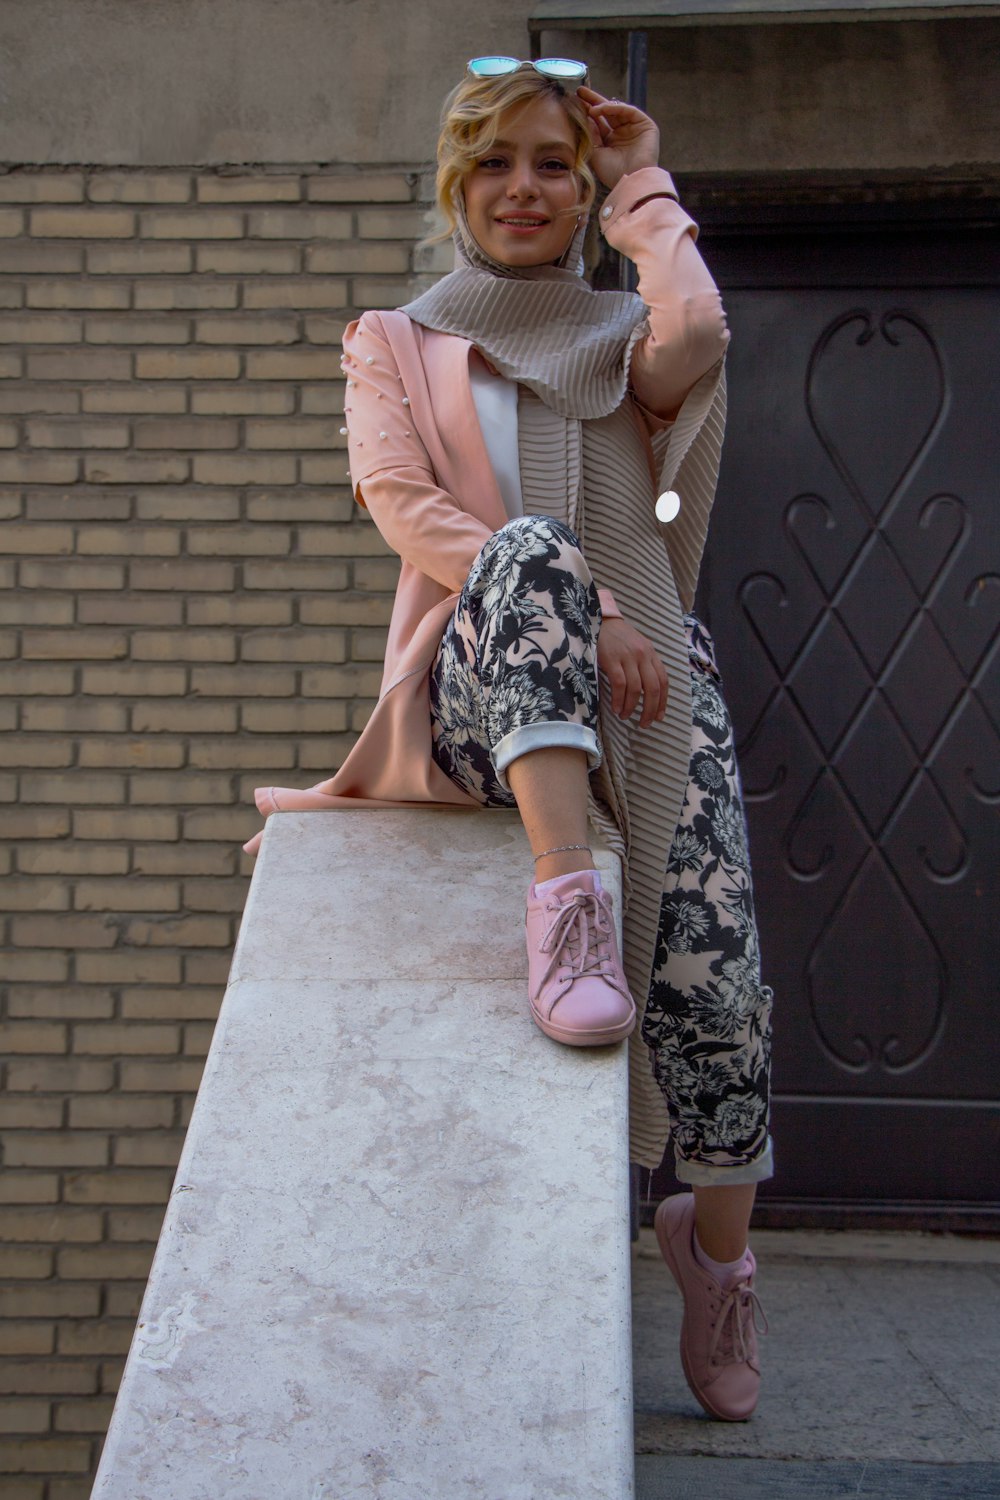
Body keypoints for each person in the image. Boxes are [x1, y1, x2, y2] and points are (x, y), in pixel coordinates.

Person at [244, 55, 774, 1422]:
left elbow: (702, 332)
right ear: (458, 186)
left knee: (723, 1002)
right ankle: (564, 900)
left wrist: (646, 187)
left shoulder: (620, 338)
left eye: (554, 164)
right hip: (485, 692)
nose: (525, 188)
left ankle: (715, 1263)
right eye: (497, 164)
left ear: (582, 190)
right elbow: (405, 504)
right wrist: (586, 599)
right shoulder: (394, 341)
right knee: (529, 546)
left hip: (649, 695)